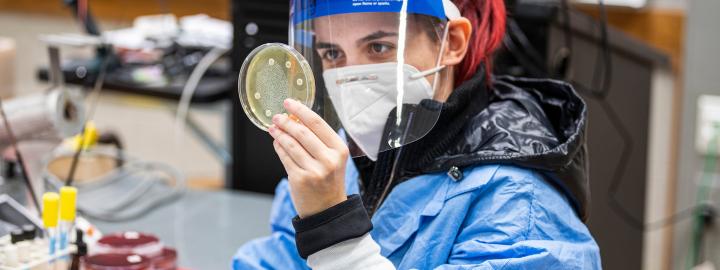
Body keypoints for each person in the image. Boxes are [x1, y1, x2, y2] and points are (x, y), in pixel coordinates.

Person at [234, 0, 601, 269]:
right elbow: (281, 259)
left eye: (379, 47)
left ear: (452, 42)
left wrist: (335, 233)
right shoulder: (347, 161)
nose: (350, 77)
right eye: (332, 53)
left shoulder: (519, 206)